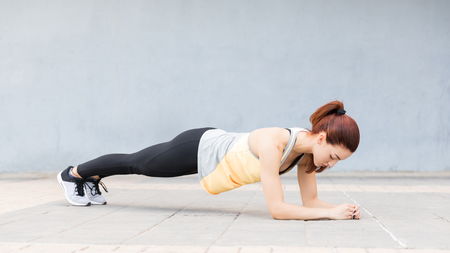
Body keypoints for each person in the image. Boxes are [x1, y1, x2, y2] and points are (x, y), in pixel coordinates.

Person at [57, 100, 361, 220]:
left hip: (214, 158)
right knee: (138, 164)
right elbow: (278, 210)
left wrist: (338, 209)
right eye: (333, 156)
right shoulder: (275, 143)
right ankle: (74, 174)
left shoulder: (308, 156)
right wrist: (330, 216)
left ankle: (92, 179)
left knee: (139, 164)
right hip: (199, 146)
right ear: (322, 138)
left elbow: (310, 203)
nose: (330, 164)